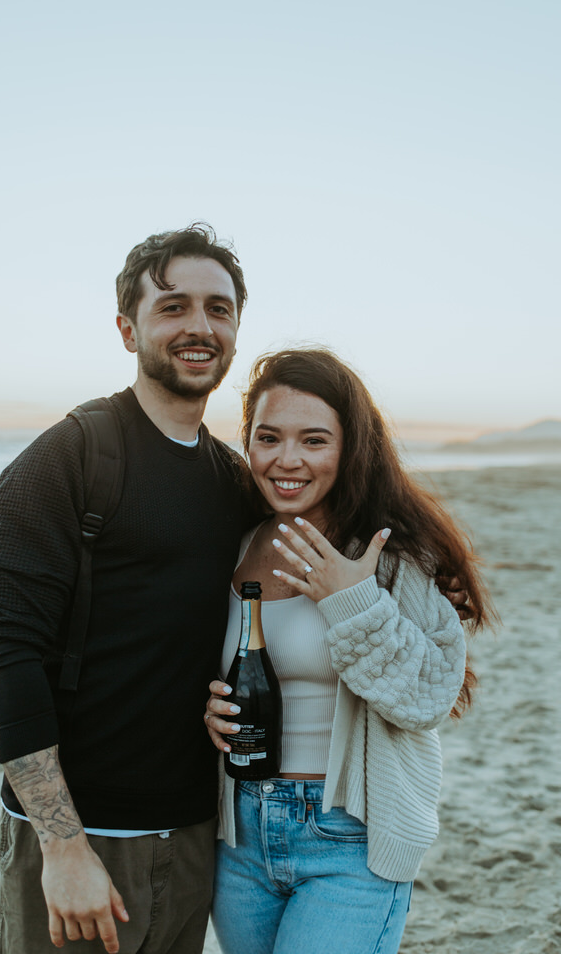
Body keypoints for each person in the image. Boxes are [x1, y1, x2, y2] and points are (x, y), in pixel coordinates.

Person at [0, 223, 256, 954]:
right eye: (174, 307)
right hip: (78, 843)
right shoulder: (68, 458)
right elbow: (5, 654)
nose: (200, 327)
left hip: (194, 837)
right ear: (128, 330)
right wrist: (63, 848)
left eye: (219, 309)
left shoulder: (233, 483)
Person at [204, 348, 495, 954]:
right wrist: (210, 714)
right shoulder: (233, 543)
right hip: (240, 838)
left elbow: (429, 696)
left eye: (314, 440)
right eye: (268, 438)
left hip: (350, 838)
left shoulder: (388, 557)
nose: (288, 460)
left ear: (349, 449)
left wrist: (352, 599)